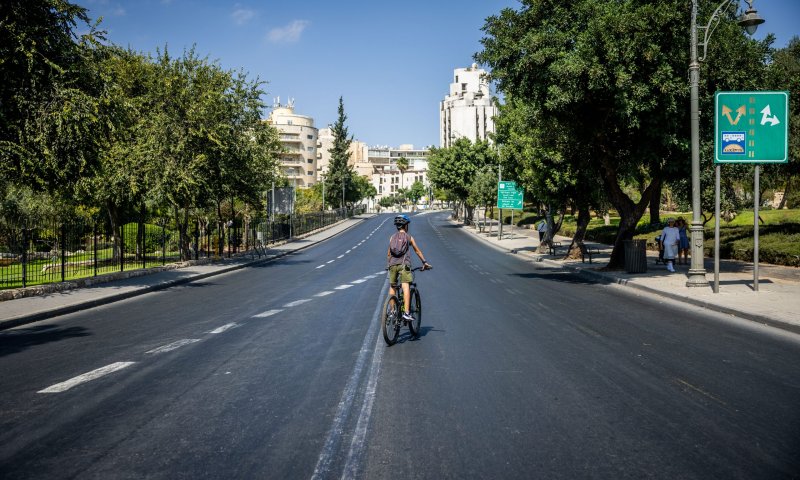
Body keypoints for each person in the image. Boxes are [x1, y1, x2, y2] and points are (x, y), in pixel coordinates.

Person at [387, 214, 431, 323]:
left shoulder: (392, 237)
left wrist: (389, 265)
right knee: (405, 285)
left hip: (392, 265)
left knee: (392, 286)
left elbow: (389, 253)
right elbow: (417, 250)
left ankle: (392, 312)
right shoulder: (408, 237)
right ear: (406, 225)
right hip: (404, 265)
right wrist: (424, 262)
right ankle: (406, 313)